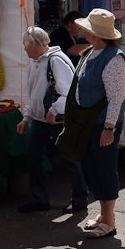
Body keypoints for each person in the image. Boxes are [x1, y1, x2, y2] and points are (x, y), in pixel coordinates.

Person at [17, 27, 88, 214]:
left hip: (58, 119)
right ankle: (40, 199)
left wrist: (55, 110)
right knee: (33, 155)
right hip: (41, 119)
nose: (24, 49)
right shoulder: (35, 61)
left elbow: (69, 93)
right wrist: (27, 116)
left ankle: (80, 199)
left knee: (69, 158)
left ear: (33, 44)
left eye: (25, 45)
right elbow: (34, 93)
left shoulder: (56, 60)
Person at [69, 9, 125, 239]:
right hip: (89, 121)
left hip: (103, 122)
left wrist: (109, 128)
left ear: (96, 34)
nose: (83, 31)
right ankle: (104, 215)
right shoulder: (92, 51)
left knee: (104, 169)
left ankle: (109, 220)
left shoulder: (113, 57)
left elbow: (116, 97)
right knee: (92, 168)